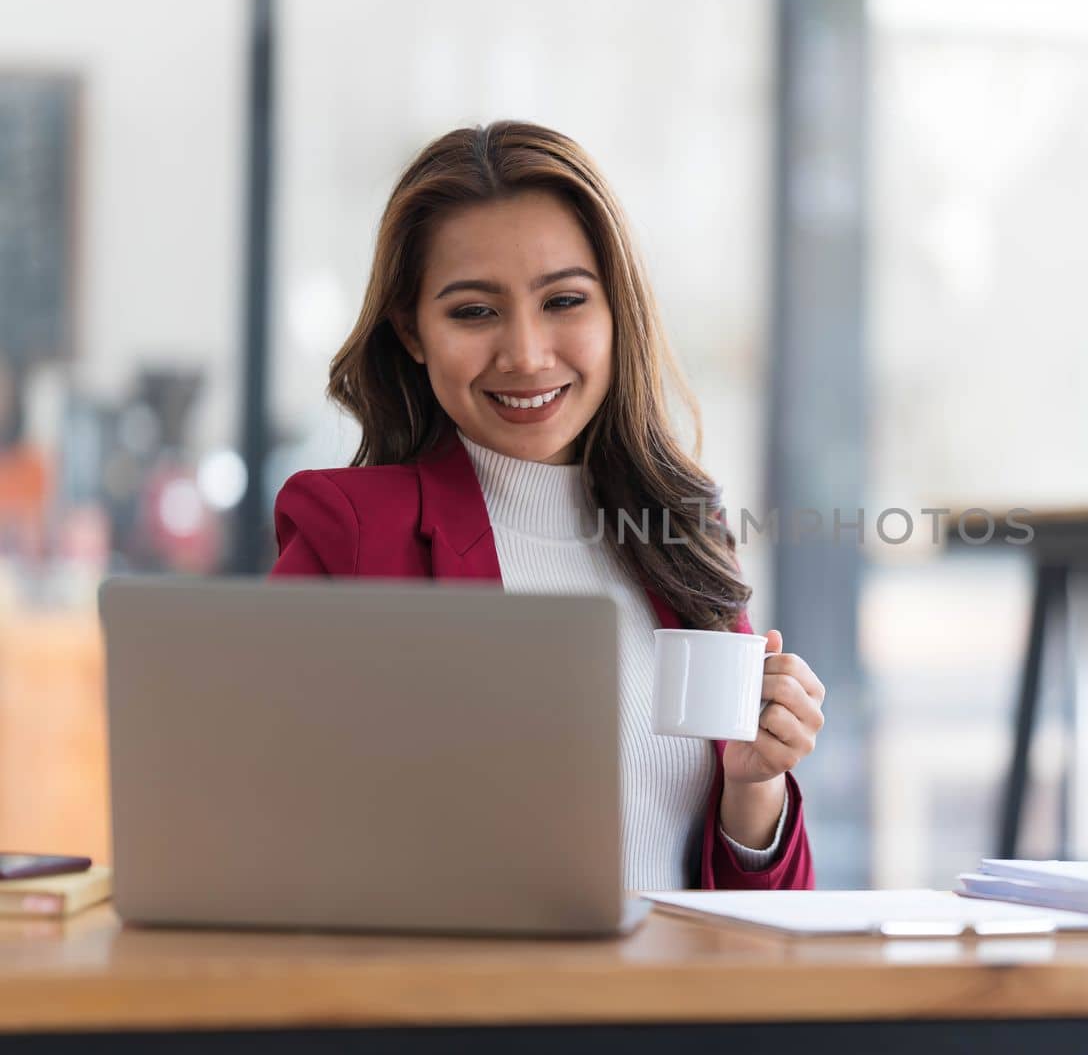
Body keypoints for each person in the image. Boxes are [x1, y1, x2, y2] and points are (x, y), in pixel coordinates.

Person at [269, 121, 821, 891]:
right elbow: (266, 836)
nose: (526, 353)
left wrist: (753, 784)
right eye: (473, 311)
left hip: (679, 1007)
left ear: (615, 311)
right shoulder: (355, 534)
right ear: (412, 331)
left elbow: (760, 923)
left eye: (563, 300)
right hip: (464, 1003)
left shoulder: (685, 527)